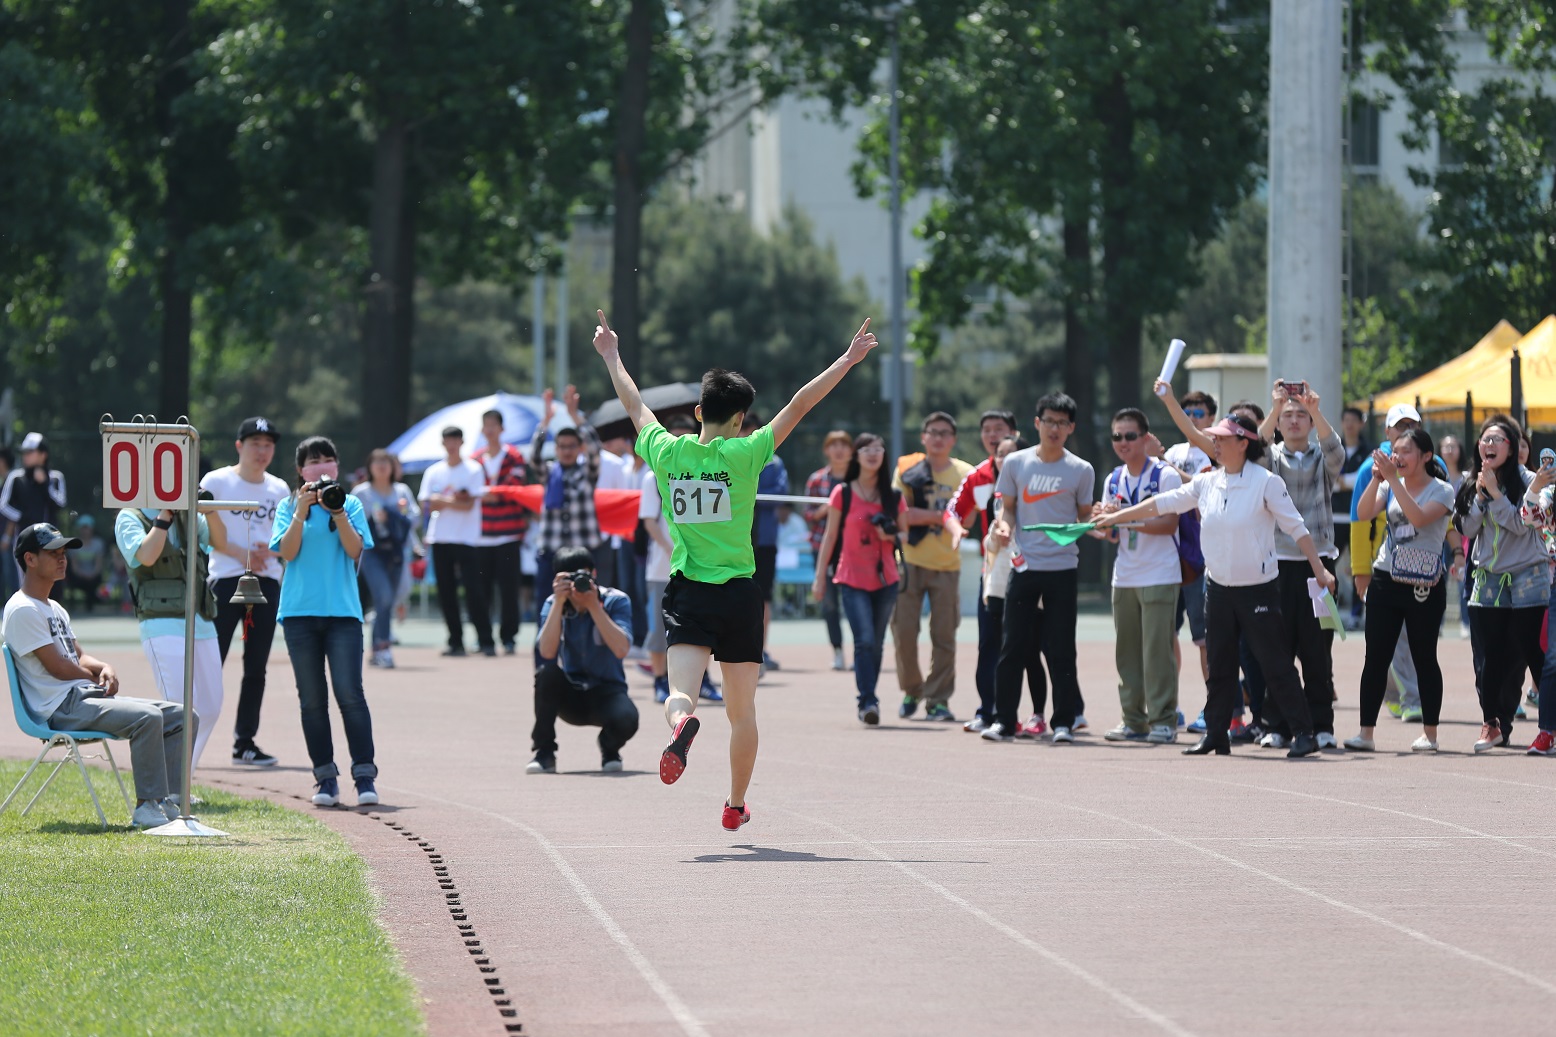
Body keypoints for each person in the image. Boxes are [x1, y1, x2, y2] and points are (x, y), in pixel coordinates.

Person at [593, 309, 877, 831]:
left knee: (680, 691)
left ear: (699, 411)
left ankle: (682, 722)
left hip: (689, 592)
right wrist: (847, 360)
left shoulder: (666, 451)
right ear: (741, 419)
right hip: (740, 595)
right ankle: (735, 804)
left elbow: (635, 405)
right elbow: (800, 403)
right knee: (742, 713)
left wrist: (612, 355)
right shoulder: (748, 453)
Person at [1097, 407, 1338, 758]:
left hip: (1258, 588)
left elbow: (1297, 528)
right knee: (1220, 665)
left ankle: (1304, 733)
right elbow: (1162, 504)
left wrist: (1320, 570)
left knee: (1275, 662)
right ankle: (1216, 734)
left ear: (1243, 443)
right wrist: (1116, 517)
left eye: (1222, 439)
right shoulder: (1207, 481)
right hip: (1218, 590)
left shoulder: (1266, 482)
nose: (1215, 444)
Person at [3, 523, 192, 828]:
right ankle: (146, 807)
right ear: (30, 559)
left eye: (64, 552)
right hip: (59, 708)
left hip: (81, 698)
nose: (62, 558)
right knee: (148, 719)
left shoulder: (53, 607)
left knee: (183, 716)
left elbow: (77, 656)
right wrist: (92, 678)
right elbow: (58, 667)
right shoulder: (22, 609)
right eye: (53, 552)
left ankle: (168, 802)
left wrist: (104, 667)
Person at [271, 436, 379, 807]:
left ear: (337, 465)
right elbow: (287, 552)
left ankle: (364, 775)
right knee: (312, 700)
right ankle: (325, 778)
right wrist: (301, 512)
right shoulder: (288, 505)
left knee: (350, 694)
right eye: (313, 461)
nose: (321, 467)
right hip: (299, 615)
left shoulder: (350, 503)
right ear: (300, 470)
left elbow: (354, 549)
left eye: (327, 459)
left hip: (343, 614)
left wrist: (337, 512)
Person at [984, 393, 1095, 744]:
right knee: (1013, 645)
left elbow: (1085, 516)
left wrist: (1099, 519)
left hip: (1062, 568)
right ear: (1037, 423)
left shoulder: (1081, 470)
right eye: (1049, 421)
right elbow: (1008, 508)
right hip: (1024, 567)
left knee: (1061, 648)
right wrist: (1004, 526)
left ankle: (1063, 722)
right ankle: (1004, 721)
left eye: (1062, 423)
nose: (1054, 428)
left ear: (1071, 427)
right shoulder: (1016, 463)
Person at [1344, 428, 1455, 753]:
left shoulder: (1442, 490)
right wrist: (1377, 480)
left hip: (1424, 582)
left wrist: (1392, 480)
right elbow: (1363, 514)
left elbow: (1419, 518)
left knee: (1424, 657)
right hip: (1386, 576)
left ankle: (1430, 734)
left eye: (1406, 451)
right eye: (1396, 451)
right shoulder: (1390, 484)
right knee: (1376, 657)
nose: (1399, 457)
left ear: (1426, 456)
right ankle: (1365, 733)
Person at [1255, 380, 1345, 748]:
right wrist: (1274, 407)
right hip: (1276, 564)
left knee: (1318, 650)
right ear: (1278, 422)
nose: (1294, 421)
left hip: (1318, 565)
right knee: (1278, 649)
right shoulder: (1271, 460)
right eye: (1287, 415)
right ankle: (1277, 726)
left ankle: (1322, 726)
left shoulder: (1322, 459)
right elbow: (1255, 450)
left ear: (1310, 423)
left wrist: (1316, 409)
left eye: (1301, 416)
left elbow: (1336, 451)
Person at [1454, 415, 1549, 752]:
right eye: (1485, 439)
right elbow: (1467, 529)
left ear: (1512, 447)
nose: (1489, 445)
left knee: (1532, 651)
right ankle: (1491, 724)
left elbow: (1521, 525)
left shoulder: (1530, 480)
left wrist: (1496, 494)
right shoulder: (1472, 481)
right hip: (1488, 577)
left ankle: (1549, 727)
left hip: (1528, 574)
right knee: (1489, 657)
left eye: (1497, 440)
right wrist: (1482, 496)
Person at [201, 416, 290, 767]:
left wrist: (274, 550)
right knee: (211, 663)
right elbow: (205, 531)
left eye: (268, 445)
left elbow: (287, 537)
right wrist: (242, 553)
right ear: (239, 446)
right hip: (225, 580)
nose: (262, 451)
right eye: (255, 443)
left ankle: (245, 743)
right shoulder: (216, 482)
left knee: (256, 667)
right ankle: (189, 737)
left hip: (266, 583)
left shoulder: (279, 489)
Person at [1094, 408, 1183, 745]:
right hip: (1124, 576)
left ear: (1146, 438)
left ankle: (1163, 720)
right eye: (1117, 436)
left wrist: (1123, 519)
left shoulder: (1164, 476)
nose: (1123, 442)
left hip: (1160, 574)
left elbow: (1169, 524)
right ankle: (1133, 719)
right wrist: (1102, 522)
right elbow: (1111, 534)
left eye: (1130, 436)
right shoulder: (1113, 479)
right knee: (1127, 653)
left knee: (1157, 652)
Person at [113, 500, 223, 769]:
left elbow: (220, 542)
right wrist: (165, 517)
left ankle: (182, 776)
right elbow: (146, 556)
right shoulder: (130, 517)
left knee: (210, 706)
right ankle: (170, 781)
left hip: (200, 621)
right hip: (160, 623)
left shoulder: (189, 517)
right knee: (180, 707)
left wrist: (209, 509)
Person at [812, 432, 905, 725]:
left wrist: (889, 535)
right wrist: (819, 577)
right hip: (851, 577)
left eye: (878, 448)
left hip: (886, 579)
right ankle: (867, 701)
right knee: (863, 641)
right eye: (866, 449)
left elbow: (905, 535)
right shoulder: (843, 493)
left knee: (876, 643)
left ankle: (869, 697)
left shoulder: (894, 496)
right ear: (857, 456)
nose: (873, 454)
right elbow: (830, 537)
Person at [526, 545, 639, 774]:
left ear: (594, 574)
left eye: (583, 575)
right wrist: (559, 603)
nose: (578, 583)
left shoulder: (615, 600)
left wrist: (593, 607)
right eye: (569, 578)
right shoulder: (554, 603)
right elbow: (546, 652)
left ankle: (609, 748)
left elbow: (621, 649)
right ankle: (544, 752)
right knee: (546, 674)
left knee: (627, 718)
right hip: (572, 696)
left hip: (608, 692)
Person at [1348, 405, 1430, 722]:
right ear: (1387, 432)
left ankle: (1398, 694)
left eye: (1412, 424)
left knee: (1412, 636)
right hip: (1383, 566)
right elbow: (1359, 520)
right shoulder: (1370, 468)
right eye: (1400, 425)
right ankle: (1411, 698)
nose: (1406, 430)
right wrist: (1360, 570)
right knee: (1392, 638)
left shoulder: (1431, 463)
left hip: (1422, 566)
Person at [893, 412, 975, 722]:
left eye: (944, 433)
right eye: (933, 432)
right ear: (923, 437)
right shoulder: (906, 469)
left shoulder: (965, 473)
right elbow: (902, 515)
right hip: (909, 562)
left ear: (953, 439)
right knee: (903, 633)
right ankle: (912, 689)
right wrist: (943, 517)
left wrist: (927, 515)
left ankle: (938, 699)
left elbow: (968, 518)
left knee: (944, 635)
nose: (938, 438)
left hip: (946, 565)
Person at [944, 409, 1018, 731]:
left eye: (998, 429)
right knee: (988, 642)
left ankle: (1054, 714)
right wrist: (956, 529)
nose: (992, 435)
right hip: (992, 572)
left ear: (1014, 433)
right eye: (986, 429)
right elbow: (952, 510)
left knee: (1035, 646)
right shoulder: (978, 476)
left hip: (1031, 569)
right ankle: (988, 711)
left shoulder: (1034, 469)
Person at [969, 435, 1047, 737]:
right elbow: (990, 546)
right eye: (1000, 454)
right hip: (999, 586)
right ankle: (1004, 716)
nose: (1003, 460)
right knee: (1001, 654)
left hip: (1030, 585)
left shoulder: (1038, 493)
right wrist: (996, 537)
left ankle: (1039, 715)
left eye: (1011, 454)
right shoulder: (996, 498)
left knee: (1030, 653)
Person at [638, 414, 719, 703]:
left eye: (688, 434)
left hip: (697, 567)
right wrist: (671, 548)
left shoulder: (705, 470)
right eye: (676, 434)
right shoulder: (654, 475)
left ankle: (703, 680)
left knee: (702, 624)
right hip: (663, 568)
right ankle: (660, 680)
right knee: (658, 628)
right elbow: (649, 521)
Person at [419, 426, 493, 657]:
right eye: (447, 440)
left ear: (461, 442)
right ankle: (455, 641)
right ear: (443, 443)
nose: (451, 445)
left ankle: (486, 640)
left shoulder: (473, 469)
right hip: (440, 538)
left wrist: (442, 501)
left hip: (467, 539)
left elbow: (468, 505)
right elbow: (426, 504)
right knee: (446, 592)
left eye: (455, 440)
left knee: (474, 591)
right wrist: (453, 501)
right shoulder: (434, 471)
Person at [530, 385, 607, 598]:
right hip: (551, 550)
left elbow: (595, 449)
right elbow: (534, 456)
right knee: (546, 603)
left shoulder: (588, 471)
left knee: (586, 602)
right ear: (556, 449)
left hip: (584, 550)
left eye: (571, 446)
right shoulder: (548, 473)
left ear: (579, 448)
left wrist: (575, 417)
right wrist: (546, 422)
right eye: (562, 446)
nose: (566, 451)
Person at [352, 449, 420, 668]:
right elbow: (351, 521)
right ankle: (384, 647)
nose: (381, 466)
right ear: (369, 467)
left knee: (387, 601)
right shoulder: (361, 492)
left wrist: (397, 515)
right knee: (383, 596)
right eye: (377, 462)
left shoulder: (401, 491)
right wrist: (373, 518)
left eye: (385, 462)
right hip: (372, 553)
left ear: (392, 467)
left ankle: (377, 648)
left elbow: (415, 518)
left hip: (396, 553)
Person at [473, 409, 532, 655]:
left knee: (509, 590)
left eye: (493, 425)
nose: (489, 429)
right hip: (481, 535)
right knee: (481, 590)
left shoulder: (514, 455)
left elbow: (514, 486)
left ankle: (509, 637)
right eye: (486, 425)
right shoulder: (475, 458)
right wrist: (490, 494)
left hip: (509, 534)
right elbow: (471, 489)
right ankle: (483, 638)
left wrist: (489, 493)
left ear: (501, 428)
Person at [744, 412, 791, 674]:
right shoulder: (728, 456)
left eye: (752, 430)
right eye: (743, 429)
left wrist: (748, 492)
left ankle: (760, 650)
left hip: (764, 541)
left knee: (763, 597)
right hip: (736, 541)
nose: (747, 434)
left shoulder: (774, 462)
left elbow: (779, 495)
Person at [806, 431, 856, 670]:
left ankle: (860, 651)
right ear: (826, 450)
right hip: (823, 548)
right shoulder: (817, 480)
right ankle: (837, 651)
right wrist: (827, 509)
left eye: (843, 445)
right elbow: (808, 515)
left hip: (854, 549)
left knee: (855, 601)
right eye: (833, 445)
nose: (839, 450)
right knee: (829, 603)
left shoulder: (860, 478)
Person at [1, 432, 68, 595]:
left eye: (30, 452)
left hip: (51, 540)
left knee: (51, 581)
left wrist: (45, 484)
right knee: (24, 580)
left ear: (43, 455)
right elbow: (3, 504)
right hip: (23, 539)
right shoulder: (16, 477)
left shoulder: (55, 477)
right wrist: (22, 517)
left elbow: (61, 503)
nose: (25, 456)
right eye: (24, 452)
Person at [64, 515, 106, 612]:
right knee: (78, 581)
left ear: (92, 529)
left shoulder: (98, 543)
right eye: (83, 528)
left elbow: (98, 564)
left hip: (93, 575)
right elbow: (74, 566)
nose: (85, 531)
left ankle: (91, 605)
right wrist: (83, 575)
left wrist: (92, 574)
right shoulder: (74, 544)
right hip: (78, 575)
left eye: (87, 528)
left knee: (93, 582)